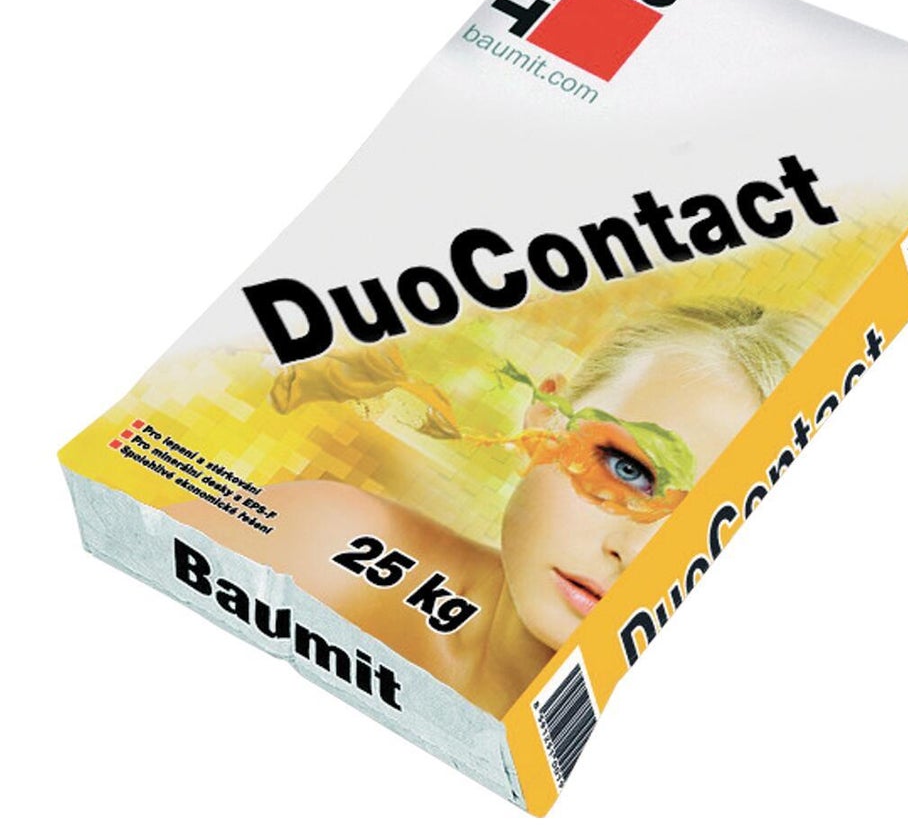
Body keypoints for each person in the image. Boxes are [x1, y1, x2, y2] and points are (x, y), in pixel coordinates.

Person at [166, 297, 815, 715]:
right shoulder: (322, 544)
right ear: (543, 420)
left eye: (720, 527)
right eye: (628, 469)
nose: (636, 551)